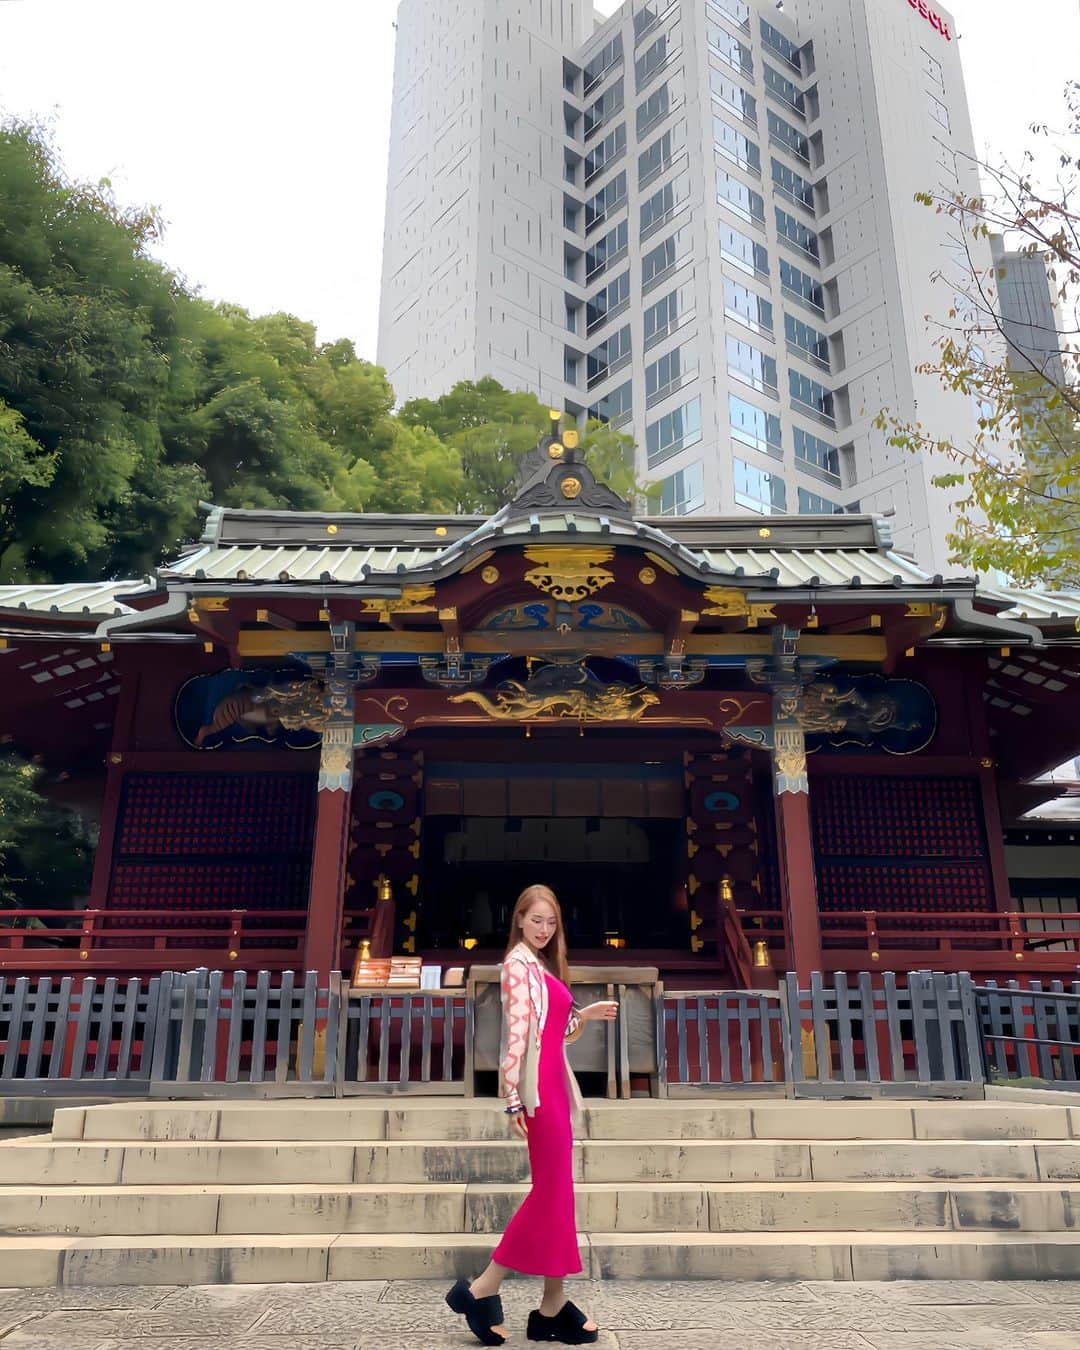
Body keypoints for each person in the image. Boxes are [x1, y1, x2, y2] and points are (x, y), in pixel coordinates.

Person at [446, 883, 618, 1346]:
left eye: (551, 922)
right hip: (537, 1091)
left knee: (558, 1191)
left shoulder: (538, 966)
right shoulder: (517, 966)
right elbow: (516, 1035)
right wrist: (513, 1097)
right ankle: (482, 1287)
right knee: (550, 1191)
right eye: (536, 920)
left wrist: (587, 1016)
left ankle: (552, 1305)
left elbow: (550, 1034)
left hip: (551, 1085)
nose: (543, 929)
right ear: (519, 919)